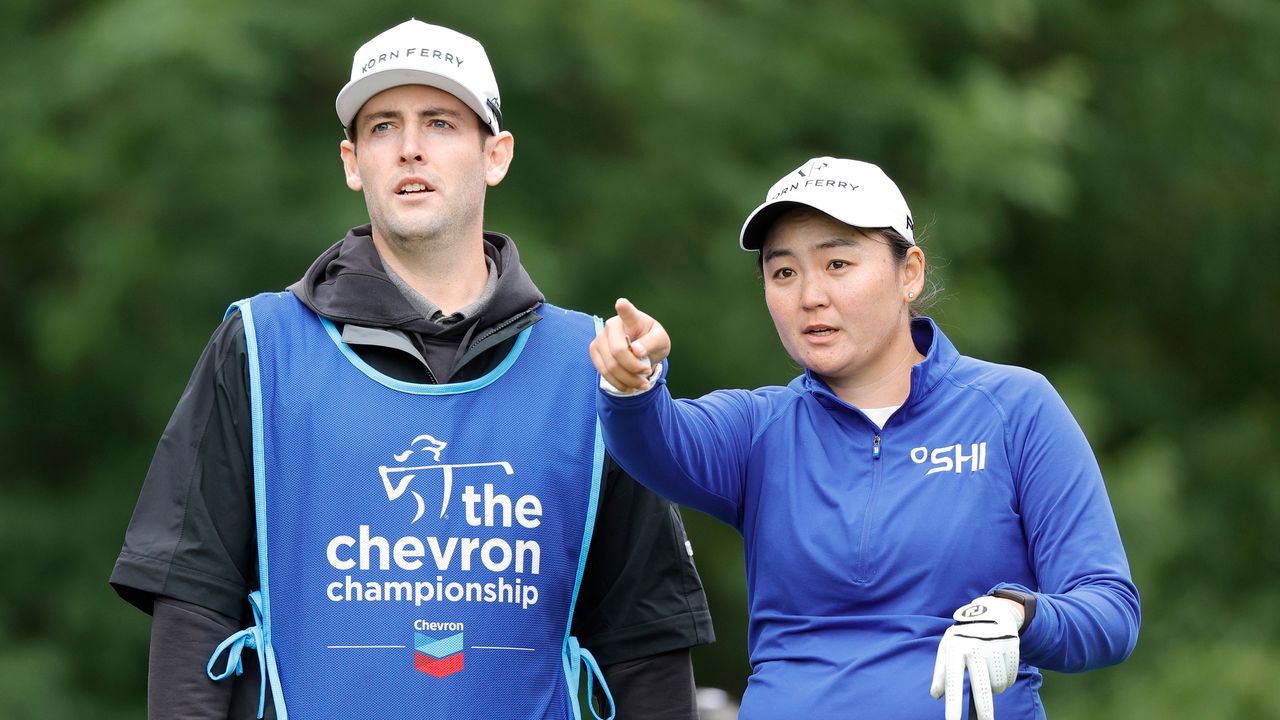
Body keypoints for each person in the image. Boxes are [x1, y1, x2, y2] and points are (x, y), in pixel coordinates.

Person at [110, 19, 713, 720]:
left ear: (496, 154)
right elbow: (193, 602)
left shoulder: (593, 369)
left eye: (441, 123)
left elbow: (647, 640)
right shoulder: (258, 346)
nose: (411, 149)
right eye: (383, 126)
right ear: (351, 160)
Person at [590, 156, 1140, 720]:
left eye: (837, 263)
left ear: (910, 273)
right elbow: (654, 441)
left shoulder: (1015, 408)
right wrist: (633, 382)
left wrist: (1020, 616)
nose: (810, 295)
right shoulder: (758, 428)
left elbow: (1109, 610)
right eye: (784, 273)